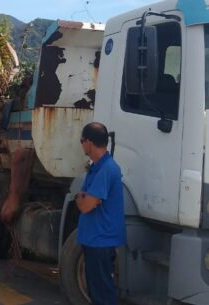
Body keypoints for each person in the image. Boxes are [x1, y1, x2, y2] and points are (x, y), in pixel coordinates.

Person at [76, 122, 125, 305]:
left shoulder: (107, 169)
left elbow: (86, 204)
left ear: (89, 142)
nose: (81, 145)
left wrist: (82, 199)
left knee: (103, 293)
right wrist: (83, 198)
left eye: (82, 141)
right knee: (97, 291)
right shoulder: (97, 167)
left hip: (101, 240)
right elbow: (85, 198)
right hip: (94, 239)